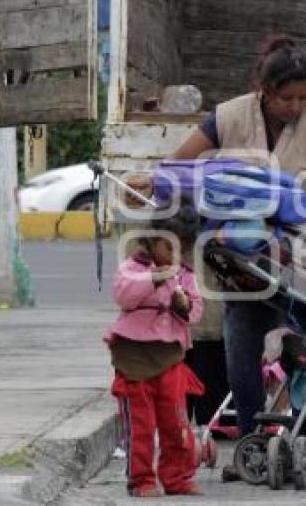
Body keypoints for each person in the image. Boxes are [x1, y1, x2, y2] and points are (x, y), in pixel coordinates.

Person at [169, 34, 306, 481]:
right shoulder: (227, 117)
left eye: (304, 97)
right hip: (245, 261)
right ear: (264, 90)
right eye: (287, 98)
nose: (296, 107)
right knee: (241, 348)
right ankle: (251, 444)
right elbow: (180, 165)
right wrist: (158, 183)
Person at [104, 203, 205, 498]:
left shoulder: (185, 276)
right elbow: (123, 295)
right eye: (167, 247)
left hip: (170, 358)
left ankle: (177, 478)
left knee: (176, 421)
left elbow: (195, 310)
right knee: (141, 424)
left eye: (181, 250)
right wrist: (154, 279)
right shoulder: (132, 268)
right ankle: (141, 479)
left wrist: (183, 304)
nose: (175, 256)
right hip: (134, 358)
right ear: (152, 239)